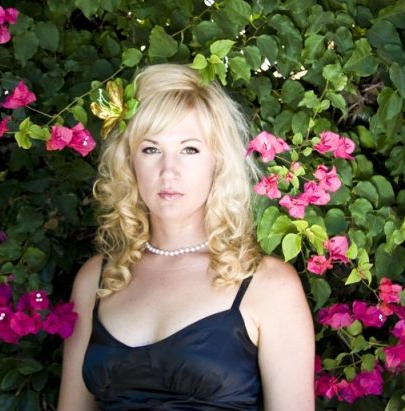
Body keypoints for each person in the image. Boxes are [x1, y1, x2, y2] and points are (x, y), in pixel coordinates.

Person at [57, 64, 315, 410]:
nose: (169, 171)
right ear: (129, 162)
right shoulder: (96, 280)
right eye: (151, 149)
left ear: (217, 162)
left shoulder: (269, 286)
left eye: (189, 149)